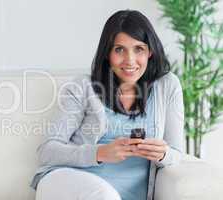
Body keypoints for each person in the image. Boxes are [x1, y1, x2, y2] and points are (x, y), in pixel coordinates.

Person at [30, 10, 184, 200]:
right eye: (119, 49)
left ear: (150, 51)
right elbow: (47, 151)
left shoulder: (167, 86)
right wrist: (99, 153)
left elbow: (176, 154)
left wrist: (163, 154)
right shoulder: (82, 87)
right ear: (107, 54)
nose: (129, 60)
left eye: (139, 49)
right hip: (69, 184)